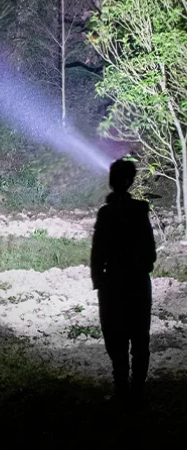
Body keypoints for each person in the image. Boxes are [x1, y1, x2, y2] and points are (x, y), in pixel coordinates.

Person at [90, 159, 157, 404]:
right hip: (138, 282)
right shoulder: (140, 211)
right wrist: (143, 268)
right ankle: (137, 390)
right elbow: (150, 250)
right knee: (140, 336)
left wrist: (99, 281)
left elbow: (97, 252)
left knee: (115, 336)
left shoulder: (105, 214)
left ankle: (122, 388)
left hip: (113, 283)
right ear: (131, 181)